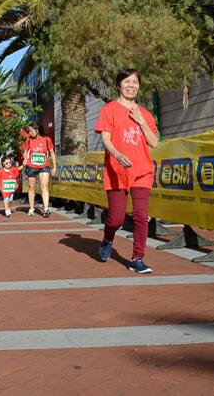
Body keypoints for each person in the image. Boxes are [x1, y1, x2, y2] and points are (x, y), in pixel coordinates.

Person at [94, 69, 159, 274]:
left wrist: (140, 121)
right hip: (116, 171)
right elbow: (105, 138)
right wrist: (117, 154)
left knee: (141, 216)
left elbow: (154, 143)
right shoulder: (109, 109)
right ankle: (107, 239)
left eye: (135, 82)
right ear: (119, 85)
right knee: (116, 219)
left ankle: (137, 258)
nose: (132, 85)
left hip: (142, 171)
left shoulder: (145, 114)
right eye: (127, 81)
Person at [23, 123, 57, 216]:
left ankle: (46, 208)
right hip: (31, 166)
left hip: (44, 166)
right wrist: (25, 159)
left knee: (44, 186)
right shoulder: (29, 139)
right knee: (31, 187)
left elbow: (52, 152)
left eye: (31, 131)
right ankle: (31, 208)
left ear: (37, 129)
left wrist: (54, 166)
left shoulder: (46, 139)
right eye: (28, 131)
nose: (29, 133)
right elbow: (25, 151)